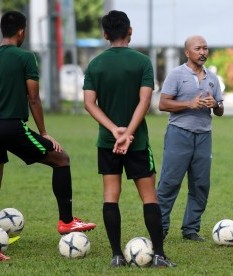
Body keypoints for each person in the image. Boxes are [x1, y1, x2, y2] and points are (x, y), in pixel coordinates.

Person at [0, 11, 96, 261]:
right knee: (60, 158)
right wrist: (43, 131)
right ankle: (66, 221)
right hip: (11, 126)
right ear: (21, 31)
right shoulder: (25, 57)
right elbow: (33, 97)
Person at [83, 10, 175, 268]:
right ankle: (158, 255)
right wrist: (129, 133)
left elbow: (89, 104)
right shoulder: (142, 62)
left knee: (111, 196)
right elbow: (145, 101)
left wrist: (114, 130)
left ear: (105, 35)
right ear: (130, 31)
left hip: (107, 141)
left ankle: (116, 256)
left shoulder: (95, 64)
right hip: (138, 142)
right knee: (149, 197)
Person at [157, 35, 224, 242]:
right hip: (179, 134)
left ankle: (191, 229)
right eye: (198, 48)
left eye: (205, 48)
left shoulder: (212, 78)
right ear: (187, 52)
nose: (203, 52)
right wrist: (189, 104)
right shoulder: (176, 74)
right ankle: (160, 227)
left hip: (204, 136)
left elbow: (220, 110)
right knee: (169, 182)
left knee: (200, 185)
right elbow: (163, 104)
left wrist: (215, 105)